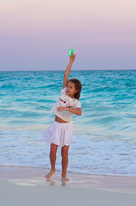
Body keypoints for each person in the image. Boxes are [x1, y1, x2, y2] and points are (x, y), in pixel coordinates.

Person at [43, 53, 82, 181]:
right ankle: (53, 169)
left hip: (67, 127)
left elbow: (79, 112)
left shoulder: (76, 102)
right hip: (56, 125)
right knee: (53, 150)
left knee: (64, 152)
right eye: (68, 86)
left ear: (76, 90)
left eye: (71, 87)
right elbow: (66, 75)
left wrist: (66, 108)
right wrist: (71, 61)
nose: (68, 88)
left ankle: (64, 174)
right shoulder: (63, 94)